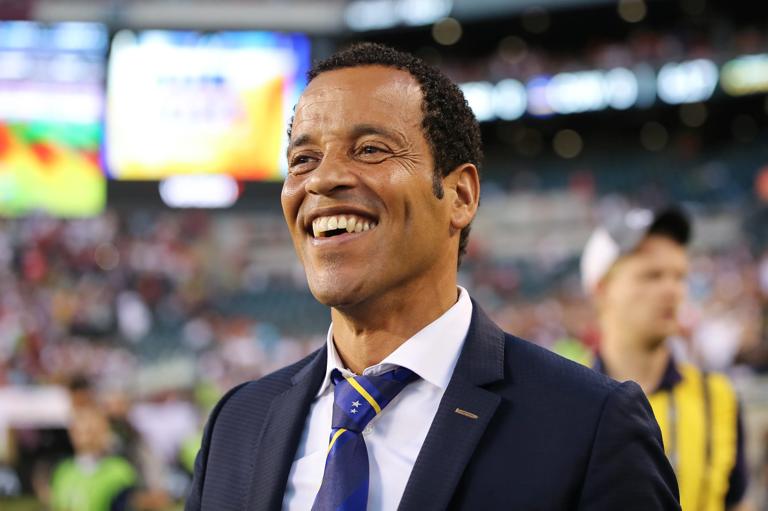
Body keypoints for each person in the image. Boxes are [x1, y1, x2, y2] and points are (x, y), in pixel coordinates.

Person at [186, 42, 679, 511]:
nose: (321, 179)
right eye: (302, 160)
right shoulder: (237, 424)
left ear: (460, 196)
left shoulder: (589, 425)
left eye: (371, 149)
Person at [581, 206, 749, 511]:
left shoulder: (718, 397)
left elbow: (736, 502)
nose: (672, 290)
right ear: (601, 289)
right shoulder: (565, 399)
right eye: (652, 276)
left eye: (680, 276)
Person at [49, 406, 137, 511]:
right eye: (79, 430)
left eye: (90, 429)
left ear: (104, 431)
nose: (84, 435)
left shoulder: (119, 470)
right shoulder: (63, 470)